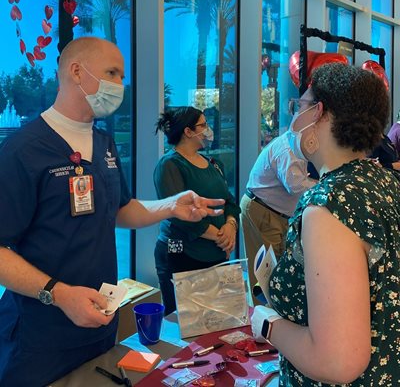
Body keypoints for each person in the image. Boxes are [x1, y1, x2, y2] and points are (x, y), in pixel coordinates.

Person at [0, 37, 225, 386]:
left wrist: (170, 206)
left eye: (121, 76)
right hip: (41, 334)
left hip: (99, 324)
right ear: (77, 71)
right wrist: (59, 294)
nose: (120, 85)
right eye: (112, 73)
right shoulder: (23, 151)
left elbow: (122, 211)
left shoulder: (103, 144)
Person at [251, 63, 399, 385]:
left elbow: (337, 360)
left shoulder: (328, 207)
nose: (294, 117)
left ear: (319, 112)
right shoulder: (385, 182)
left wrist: (266, 323)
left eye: (299, 106)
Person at [154, 107, 241, 315]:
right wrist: (221, 237)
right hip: (180, 253)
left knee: (217, 319)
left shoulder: (213, 163)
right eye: (203, 125)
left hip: (217, 254)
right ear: (188, 131)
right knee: (186, 323)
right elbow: (181, 216)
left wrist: (230, 226)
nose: (208, 130)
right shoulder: (170, 165)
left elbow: (229, 202)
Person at [240, 126, 316, 296]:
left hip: (278, 212)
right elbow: (295, 185)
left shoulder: (299, 148)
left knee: (280, 267)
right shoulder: (287, 148)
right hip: (264, 209)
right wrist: (325, 184)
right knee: (267, 273)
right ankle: (264, 316)